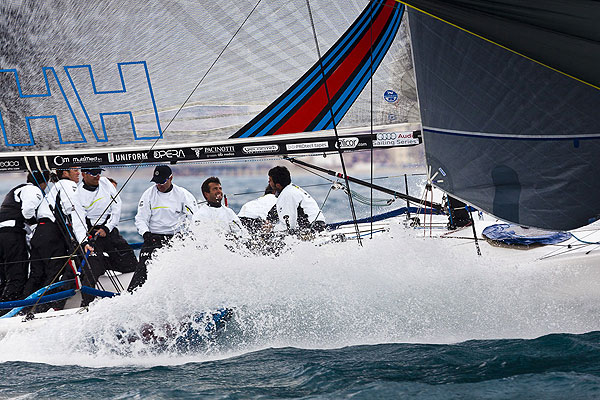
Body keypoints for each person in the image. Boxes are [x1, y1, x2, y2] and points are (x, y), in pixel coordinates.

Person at [23, 167, 92, 305]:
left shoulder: (55, 188)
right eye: (74, 170)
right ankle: (45, 308)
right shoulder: (68, 184)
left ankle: (23, 308)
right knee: (55, 273)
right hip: (52, 234)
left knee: (36, 274)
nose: (78, 173)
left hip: (39, 233)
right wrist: (85, 236)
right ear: (65, 173)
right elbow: (72, 210)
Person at [128, 165, 198, 292]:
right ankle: (132, 296)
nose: (159, 185)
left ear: (171, 178)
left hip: (175, 239)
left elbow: (193, 218)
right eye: (156, 181)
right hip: (153, 238)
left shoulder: (183, 195)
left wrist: (186, 236)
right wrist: (145, 234)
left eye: (162, 181)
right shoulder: (148, 194)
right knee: (142, 270)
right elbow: (140, 219)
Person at [0, 170, 49, 307]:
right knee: (17, 274)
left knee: (4, 276)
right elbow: (27, 211)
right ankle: (9, 309)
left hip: (2, 232)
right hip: (12, 234)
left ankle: (2, 306)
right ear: (44, 182)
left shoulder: (17, 190)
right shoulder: (33, 189)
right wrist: (36, 229)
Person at [77, 166, 137, 277]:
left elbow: (117, 206)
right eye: (93, 173)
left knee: (131, 263)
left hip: (109, 230)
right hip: (92, 234)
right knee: (92, 269)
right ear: (84, 175)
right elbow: (78, 222)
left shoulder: (105, 182)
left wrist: (107, 227)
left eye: (99, 173)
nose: (97, 176)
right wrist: (84, 242)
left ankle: (104, 262)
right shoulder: (77, 194)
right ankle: (100, 262)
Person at [268, 166, 326, 234]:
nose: (268, 181)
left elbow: (289, 225)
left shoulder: (287, 194)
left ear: (278, 185)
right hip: (318, 226)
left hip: (313, 229)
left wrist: (271, 231)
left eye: (270, 180)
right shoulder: (291, 188)